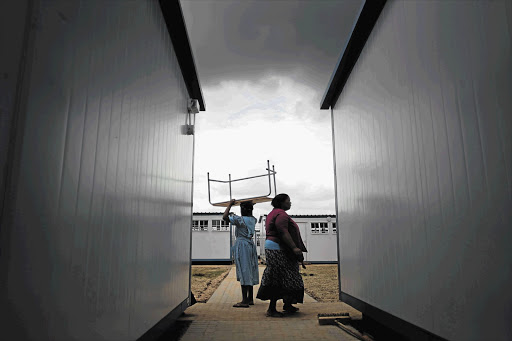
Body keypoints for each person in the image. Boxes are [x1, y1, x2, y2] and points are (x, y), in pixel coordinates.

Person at [256, 193, 307, 317]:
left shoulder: (273, 213)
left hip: (274, 247)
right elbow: (282, 230)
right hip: (278, 248)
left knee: (287, 275)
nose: (290, 203)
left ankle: (288, 304)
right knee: (278, 276)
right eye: (288, 201)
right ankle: (271, 309)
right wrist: (294, 248)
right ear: (281, 202)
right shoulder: (281, 214)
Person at [222, 199, 259, 308]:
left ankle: (244, 301)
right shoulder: (253, 219)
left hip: (242, 245)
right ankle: (250, 298)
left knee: (244, 270)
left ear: (243, 210)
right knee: (250, 269)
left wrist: (229, 205)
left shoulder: (239, 220)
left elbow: (224, 217)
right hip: (250, 245)